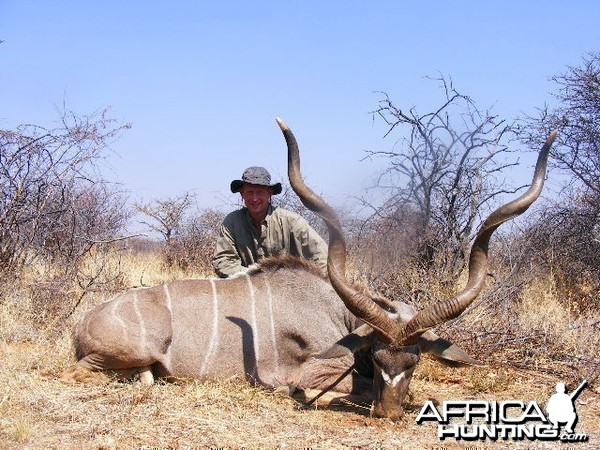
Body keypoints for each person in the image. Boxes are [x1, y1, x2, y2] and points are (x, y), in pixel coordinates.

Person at [212, 166, 328, 278]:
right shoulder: (232, 222)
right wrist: (256, 277)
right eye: (250, 192)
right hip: (247, 288)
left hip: (286, 288)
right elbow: (223, 261)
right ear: (242, 194)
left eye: (260, 192)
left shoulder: (292, 221)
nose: (254, 199)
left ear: (270, 193)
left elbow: (322, 257)